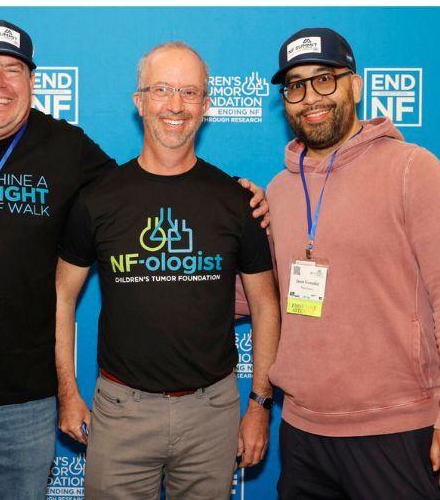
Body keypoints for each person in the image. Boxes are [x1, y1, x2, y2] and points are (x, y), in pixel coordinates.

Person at [0, 20, 267, 498]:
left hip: (20, 405)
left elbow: (144, 188)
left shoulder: (67, 149)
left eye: (13, 70)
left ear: (32, 81)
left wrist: (241, 198)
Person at [262, 27, 440, 497]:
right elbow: (262, 297)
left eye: (325, 79)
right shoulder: (278, 191)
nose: (310, 98)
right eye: (295, 86)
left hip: (398, 430)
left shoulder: (412, 168)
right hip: (302, 432)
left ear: (355, 85)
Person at [54, 42, 280, 499]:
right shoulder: (97, 199)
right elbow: (60, 295)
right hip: (120, 411)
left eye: (189, 92)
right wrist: (66, 392)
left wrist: (259, 404)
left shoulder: (238, 202)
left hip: (212, 413)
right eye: (161, 90)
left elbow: (266, 304)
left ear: (206, 105)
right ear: (139, 102)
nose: (175, 105)